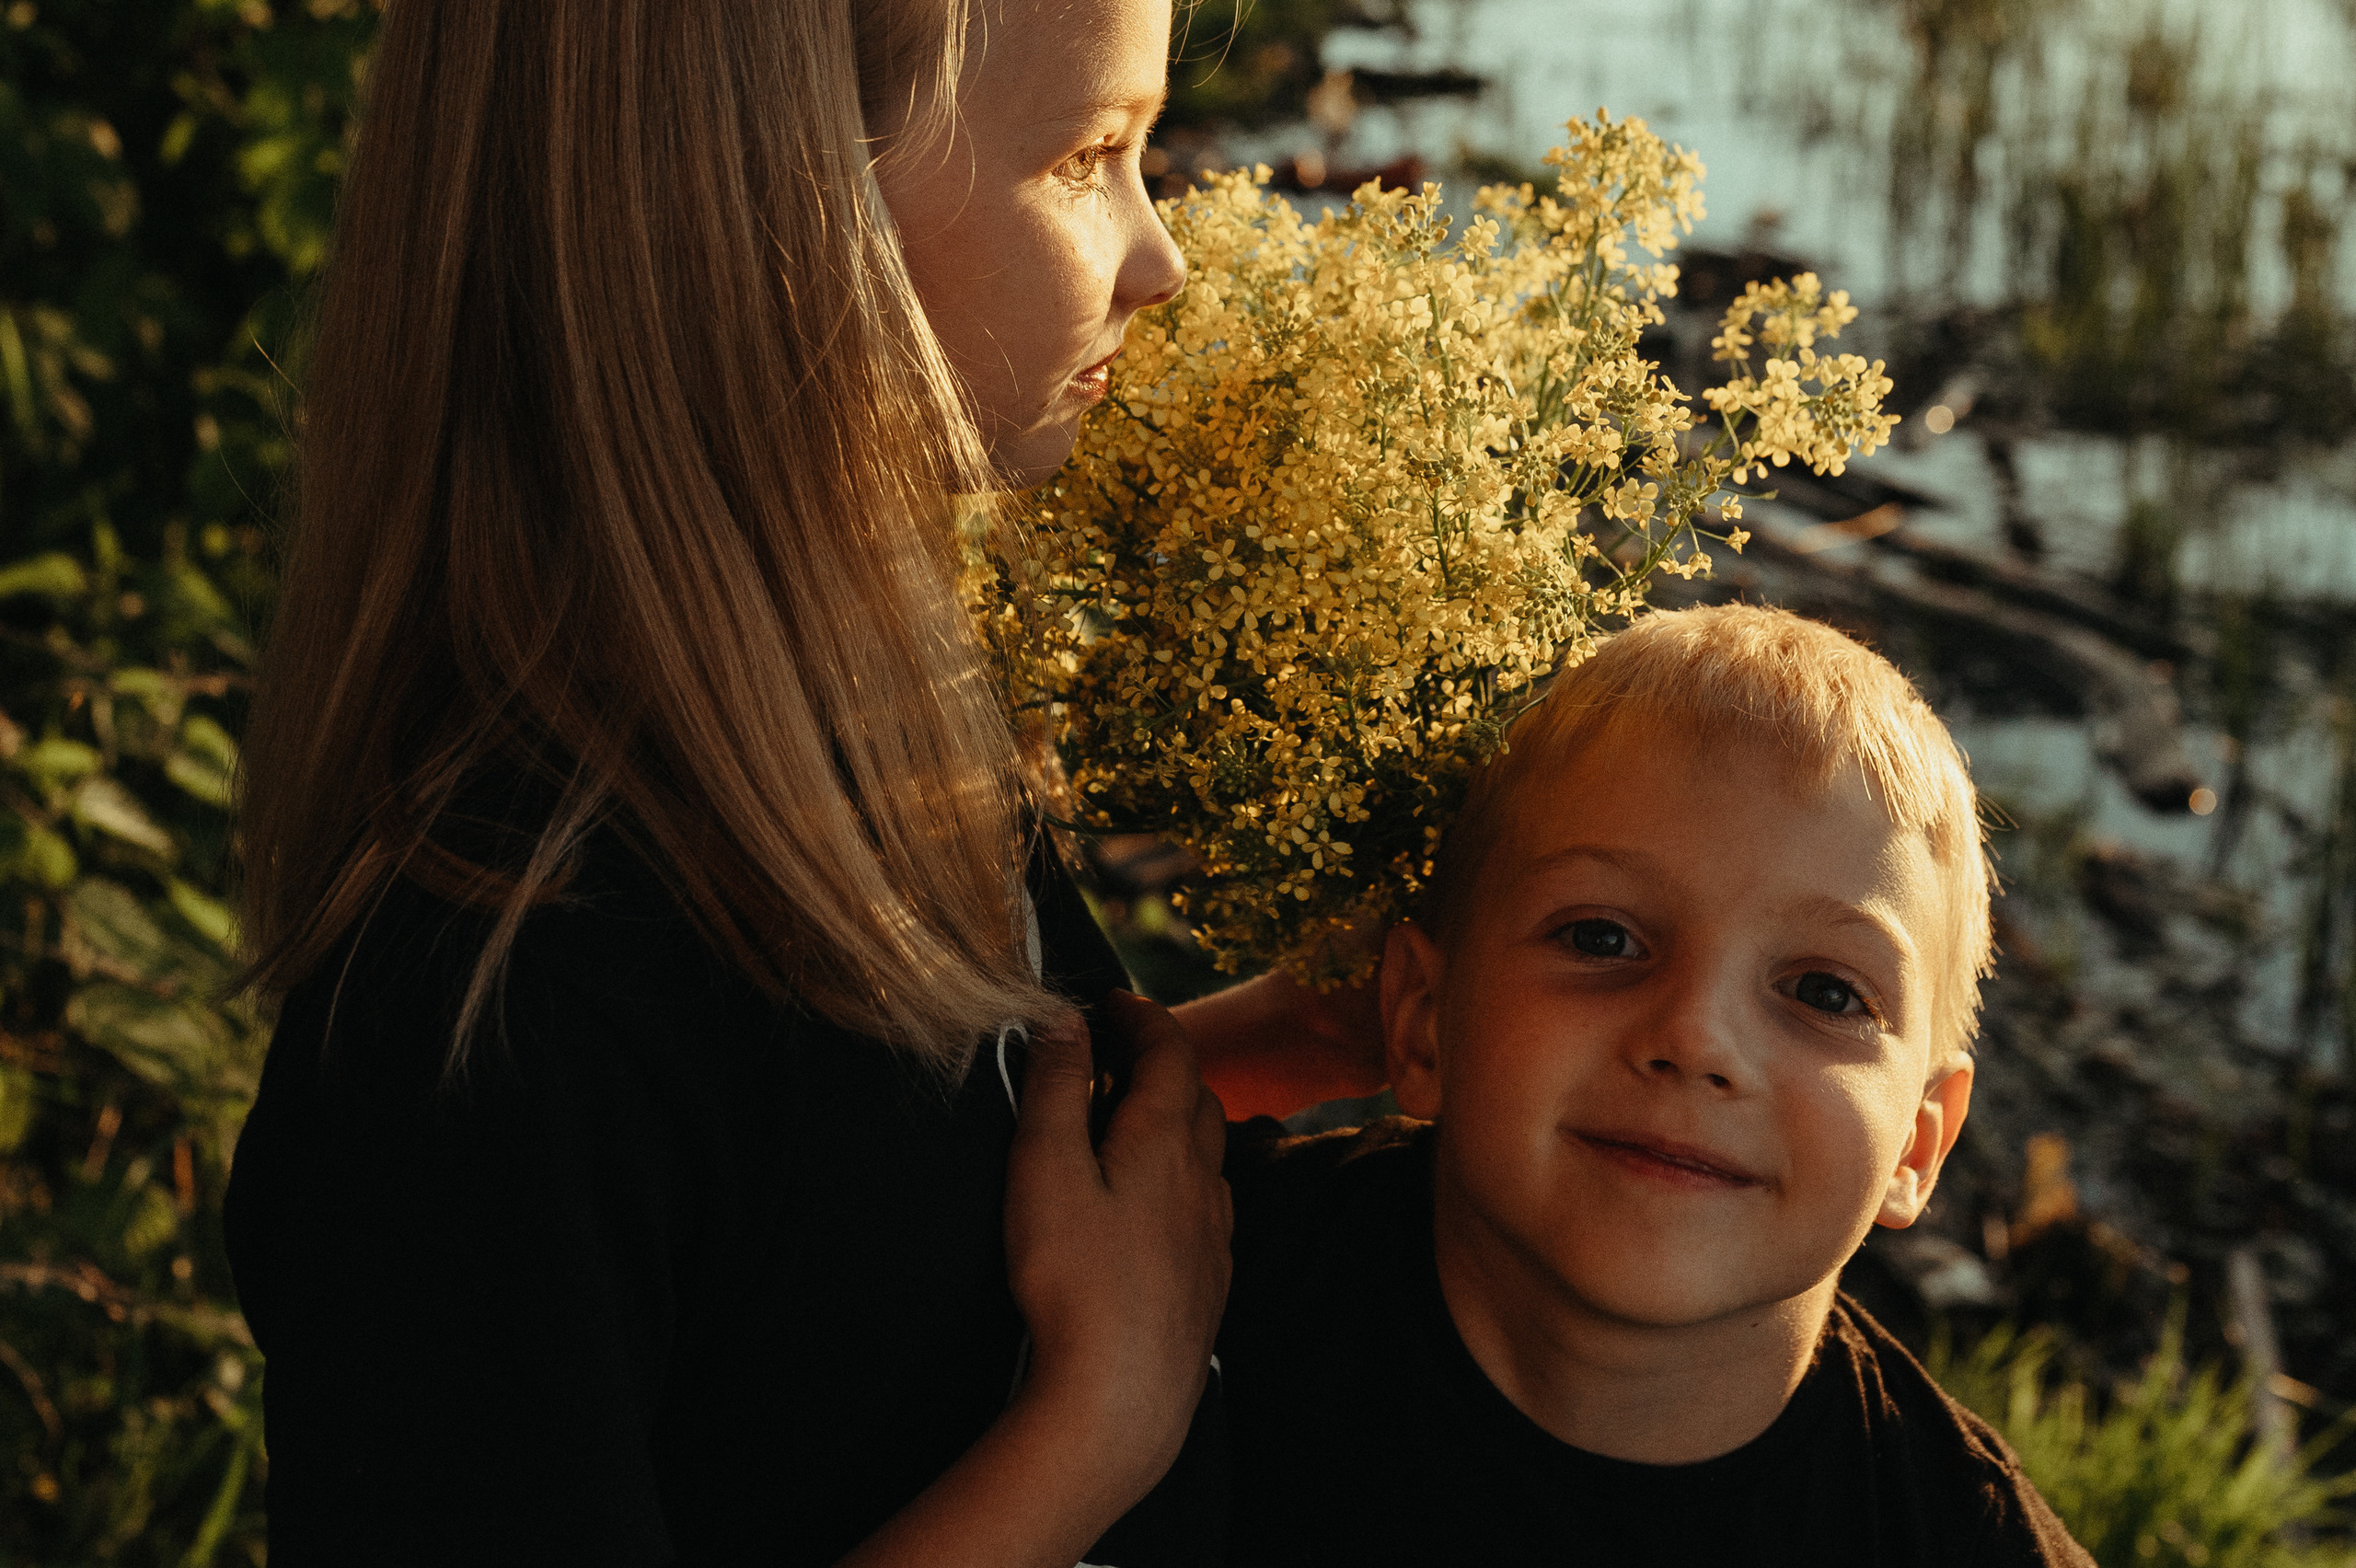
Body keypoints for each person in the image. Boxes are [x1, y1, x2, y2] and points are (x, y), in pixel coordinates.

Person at [223, 2, 1252, 1562]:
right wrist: (1099, 1419)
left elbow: (876, 1225)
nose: (1159, 258)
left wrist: (1256, 1059)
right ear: (785, 204)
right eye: (1090, 153)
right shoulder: (492, 1021)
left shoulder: (851, 743)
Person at [1216, 605, 2096, 1566]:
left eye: (1822, 992)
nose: (1694, 1038)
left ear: (1918, 1145)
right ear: (1423, 1018)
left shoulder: (1961, 1541)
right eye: (1601, 938)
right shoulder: (1192, 1270)